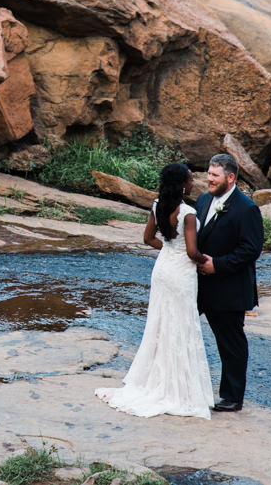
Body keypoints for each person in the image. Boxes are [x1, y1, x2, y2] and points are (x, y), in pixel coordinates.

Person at [95, 162, 213, 419]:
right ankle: (177, 388)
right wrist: (207, 261)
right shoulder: (188, 213)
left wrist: (170, 251)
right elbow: (192, 252)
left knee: (160, 323)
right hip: (181, 274)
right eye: (191, 179)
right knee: (181, 324)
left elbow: (148, 238)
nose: (193, 183)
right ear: (182, 184)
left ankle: (156, 379)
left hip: (163, 270)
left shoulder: (158, 205)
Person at [194, 152, 264, 413]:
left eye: (214, 175)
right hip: (199, 286)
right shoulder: (203, 200)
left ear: (230, 178)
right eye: (208, 174)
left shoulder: (246, 209)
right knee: (180, 329)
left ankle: (232, 397)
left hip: (229, 289)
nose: (209, 179)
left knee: (231, 344)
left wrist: (218, 265)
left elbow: (251, 249)